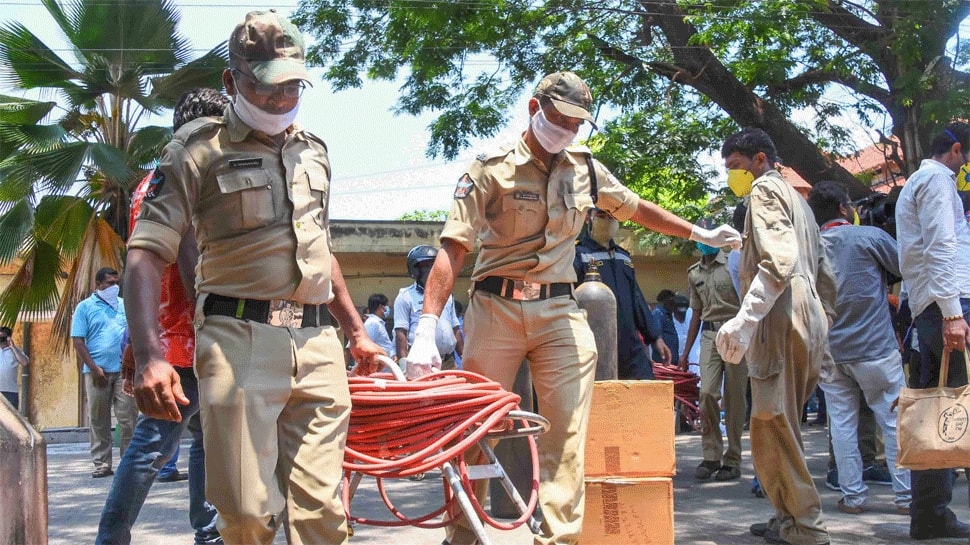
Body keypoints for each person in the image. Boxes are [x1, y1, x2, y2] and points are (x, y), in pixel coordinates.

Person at [405, 70, 740, 545]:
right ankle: (462, 531)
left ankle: (560, 538)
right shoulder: (490, 168)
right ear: (533, 109)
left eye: (577, 123)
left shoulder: (585, 168)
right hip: (495, 308)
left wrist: (698, 234)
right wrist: (425, 327)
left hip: (559, 310)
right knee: (479, 427)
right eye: (559, 118)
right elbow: (454, 247)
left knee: (566, 435)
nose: (566, 130)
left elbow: (636, 207)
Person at [124, 10, 383, 544]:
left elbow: (322, 248)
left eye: (293, 86)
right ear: (232, 80)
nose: (282, 99)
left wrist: (355, 332)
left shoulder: (314, 150)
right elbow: (146, 254)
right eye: (267, 87)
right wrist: (151, 355)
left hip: (316, 342)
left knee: (324, 517)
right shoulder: (198, 149)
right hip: (237, 339)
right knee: (245, 515)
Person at [95, 87, 229, 545]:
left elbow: (141, 267)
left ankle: (207, 531)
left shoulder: (146, 184)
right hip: (190, 340)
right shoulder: (192, 178)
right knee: (155, 446)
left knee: (200, 443)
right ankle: (113, 537)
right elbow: (192, 262)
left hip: (164, 338)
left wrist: (138, 340)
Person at [714, 128, 836, 545]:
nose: (733, 177)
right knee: (786, 424)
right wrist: (821, 323)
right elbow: (826, 272)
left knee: (771, 424)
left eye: (735, 167)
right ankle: (786, 517)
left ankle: (805, 526)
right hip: (808, 314)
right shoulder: (801, 203)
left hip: (780, 315)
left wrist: (744, 322)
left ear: (760, 160)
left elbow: (778, 262)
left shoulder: (764, 191)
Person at [806, 180, 911, 518]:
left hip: (831, 352)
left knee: (841, 425)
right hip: (875, 349)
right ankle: (906, 497)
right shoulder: (869, 237)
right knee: (894, 421)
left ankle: (853, 497)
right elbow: (903, 267)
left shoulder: (809, 248)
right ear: (842, 208)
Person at [894, 121, 970, 540]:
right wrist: (952, 314)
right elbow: (941, 245)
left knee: (940, 410)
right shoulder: (937, 181)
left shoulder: (922, 182)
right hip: (944, 307)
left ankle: (930, 514)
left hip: (932, 307)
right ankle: (930, 512)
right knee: (948, 409)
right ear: (956, 151)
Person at [680, 219, 747, 482]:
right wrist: (685, 354)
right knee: (706, 392)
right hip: (709, 335)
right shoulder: (693, 272)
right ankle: (711, 455)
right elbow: (695, 312)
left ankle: (733, 459)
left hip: (736, 333)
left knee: (734, 398)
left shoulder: (733, 262)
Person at [573, 208, 671, 378]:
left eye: (611, 216)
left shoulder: (622, 256)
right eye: (602, 216)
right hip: (594, 343)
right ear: (588, 218)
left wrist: (655, 337)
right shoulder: (578, 255)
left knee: (645, 389)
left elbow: (637, 299)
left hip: (629, 343)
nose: (607, 220)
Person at [72, 266, 136, 479]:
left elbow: (133, 335)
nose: (114, 287)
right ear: (98, 285)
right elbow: (78, 341)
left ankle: (128, 463)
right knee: (99, 419)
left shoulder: (124, 305)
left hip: (124, 372)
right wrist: (94, 368)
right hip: (96, 372)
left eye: (116, 282)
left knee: (128, 418)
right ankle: (102, 464)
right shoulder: (85, 307)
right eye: (109, 283)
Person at [394, 245, 463, 374]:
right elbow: (400, 333)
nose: (432, 270)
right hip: (422, 363)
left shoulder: (447, 296)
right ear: (415, 270)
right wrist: (403, 363)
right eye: (426, 265)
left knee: (454, 394)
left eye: (434, 265)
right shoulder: (405, 296)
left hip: (448, 363)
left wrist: (463, 356)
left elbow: (456, 328)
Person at [0, 326, 29, 410]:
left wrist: (13, 347)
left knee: (11, 419)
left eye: (2, 337)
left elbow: (24, 362)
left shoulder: (16, 350)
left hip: (10, 391)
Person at [364, 293, 396, 361]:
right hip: (378, 368)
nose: (387, 309)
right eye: (386, 306)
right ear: (380, 306)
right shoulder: (372, 323)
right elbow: (367, 346)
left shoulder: (378, 323)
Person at [652, 290, 681, 362]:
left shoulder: (668, 314)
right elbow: (657, 336)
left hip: (672, 358)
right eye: (671, 301)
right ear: (665, 300)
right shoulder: (658, 314)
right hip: (663, 360)